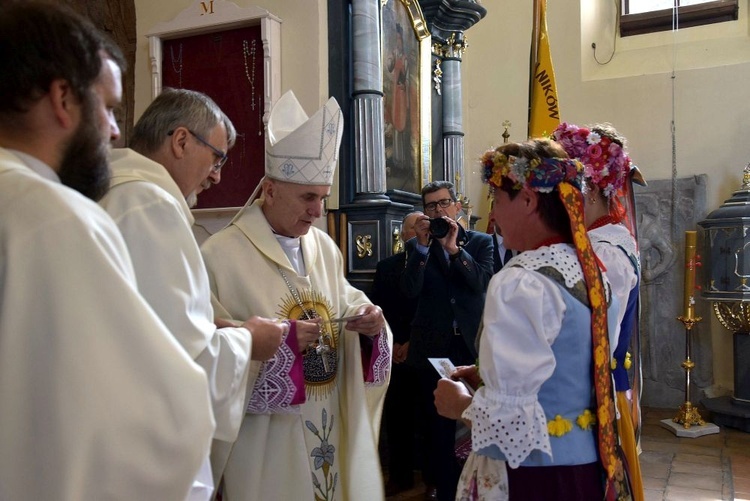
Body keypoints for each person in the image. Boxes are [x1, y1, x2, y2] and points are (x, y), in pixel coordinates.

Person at [0, 3, 215, 499]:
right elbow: (149, 424)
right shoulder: (53, 218)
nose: (117, 131)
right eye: (110, 107)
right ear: (62, 99)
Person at [99, 88, 314, 499]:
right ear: (181, 141)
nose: (217, 175)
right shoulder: (149, 205)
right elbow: (177, 358)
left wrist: (212, 326)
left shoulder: (116, 192)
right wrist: (249, 340)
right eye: (217, 158)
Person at [201, 90, 392, 501]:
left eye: (322, 198)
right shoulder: (219, 256)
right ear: (269, 190)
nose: (318, 212)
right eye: (308, 197)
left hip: (327, 424)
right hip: (266, 444)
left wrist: (371, 323)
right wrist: (281, 346)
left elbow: (347, 302)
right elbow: (208, 356)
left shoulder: (324, 247)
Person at [433, 138, 631, 500]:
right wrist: (486, 378)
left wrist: (461, 405)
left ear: (527, 199)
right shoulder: (592, 271)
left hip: (531, 476)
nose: (494, 215)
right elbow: (574, 366)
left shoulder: (521, 281)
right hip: (586, 468)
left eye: (497, 200)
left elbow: (512, 425)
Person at [553, 121, 645, 500]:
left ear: (586, 191)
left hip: (596, 399)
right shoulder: (597, 242)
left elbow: (596, 335)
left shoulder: (606, 250)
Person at [402, 181, 494, 500]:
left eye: (444, 203)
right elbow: (409, 291)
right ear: (423, 212)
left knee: (475, 420)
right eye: (431, 206)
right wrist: (424, 247)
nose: (439, 210)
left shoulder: (481, 243)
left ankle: (474, 487)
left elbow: (480, 282)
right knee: (437, 427)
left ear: (457, 206)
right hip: (433, 350)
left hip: (470, 347)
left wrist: (455, 250)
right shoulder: (418, 248)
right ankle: (443, 489)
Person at [372, 211, 423, 496]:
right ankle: (400, 475)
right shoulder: (386, 267)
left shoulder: (436, 262)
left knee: (429, 418)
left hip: (424, 348)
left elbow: (432, 310)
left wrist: (413, 342)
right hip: (394, 351)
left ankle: (431, 477)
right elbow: (379, 307)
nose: (418, 232)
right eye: (413, 228)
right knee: (397, 417)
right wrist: (393, 343)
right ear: (402, 235)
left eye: (422, 226)